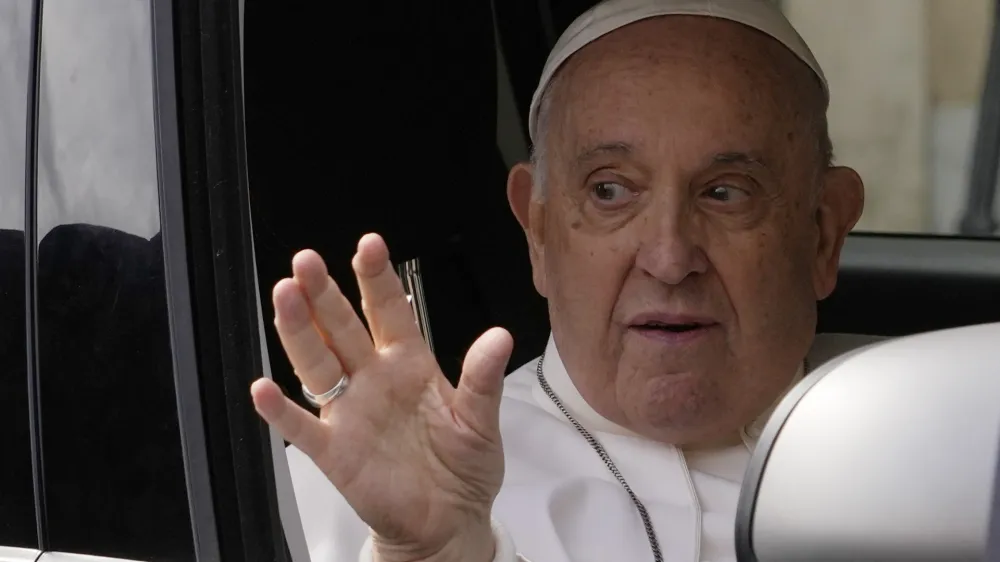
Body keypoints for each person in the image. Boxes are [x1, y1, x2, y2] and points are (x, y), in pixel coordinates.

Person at [249, 0, 869, 560]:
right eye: (610, 190)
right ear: (537, 231)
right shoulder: (361, 488)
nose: (670, 256)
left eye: (725, 193)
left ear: (823, 233)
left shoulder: (944, 451)